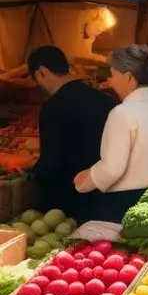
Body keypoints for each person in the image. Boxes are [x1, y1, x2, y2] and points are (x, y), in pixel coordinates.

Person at [73, 46, 148, 222]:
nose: (110, 82)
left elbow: (112, 168)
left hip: (126, 204)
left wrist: (86, 179)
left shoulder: (122, 113)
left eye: (113, 75)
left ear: (128, 77)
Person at [28, 46, 116, 222]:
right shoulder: (105, 100)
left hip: (68, 202)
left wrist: (33, 174)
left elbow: (51, 159)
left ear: (42, 72)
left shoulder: (53, 107)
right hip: (105, 197)